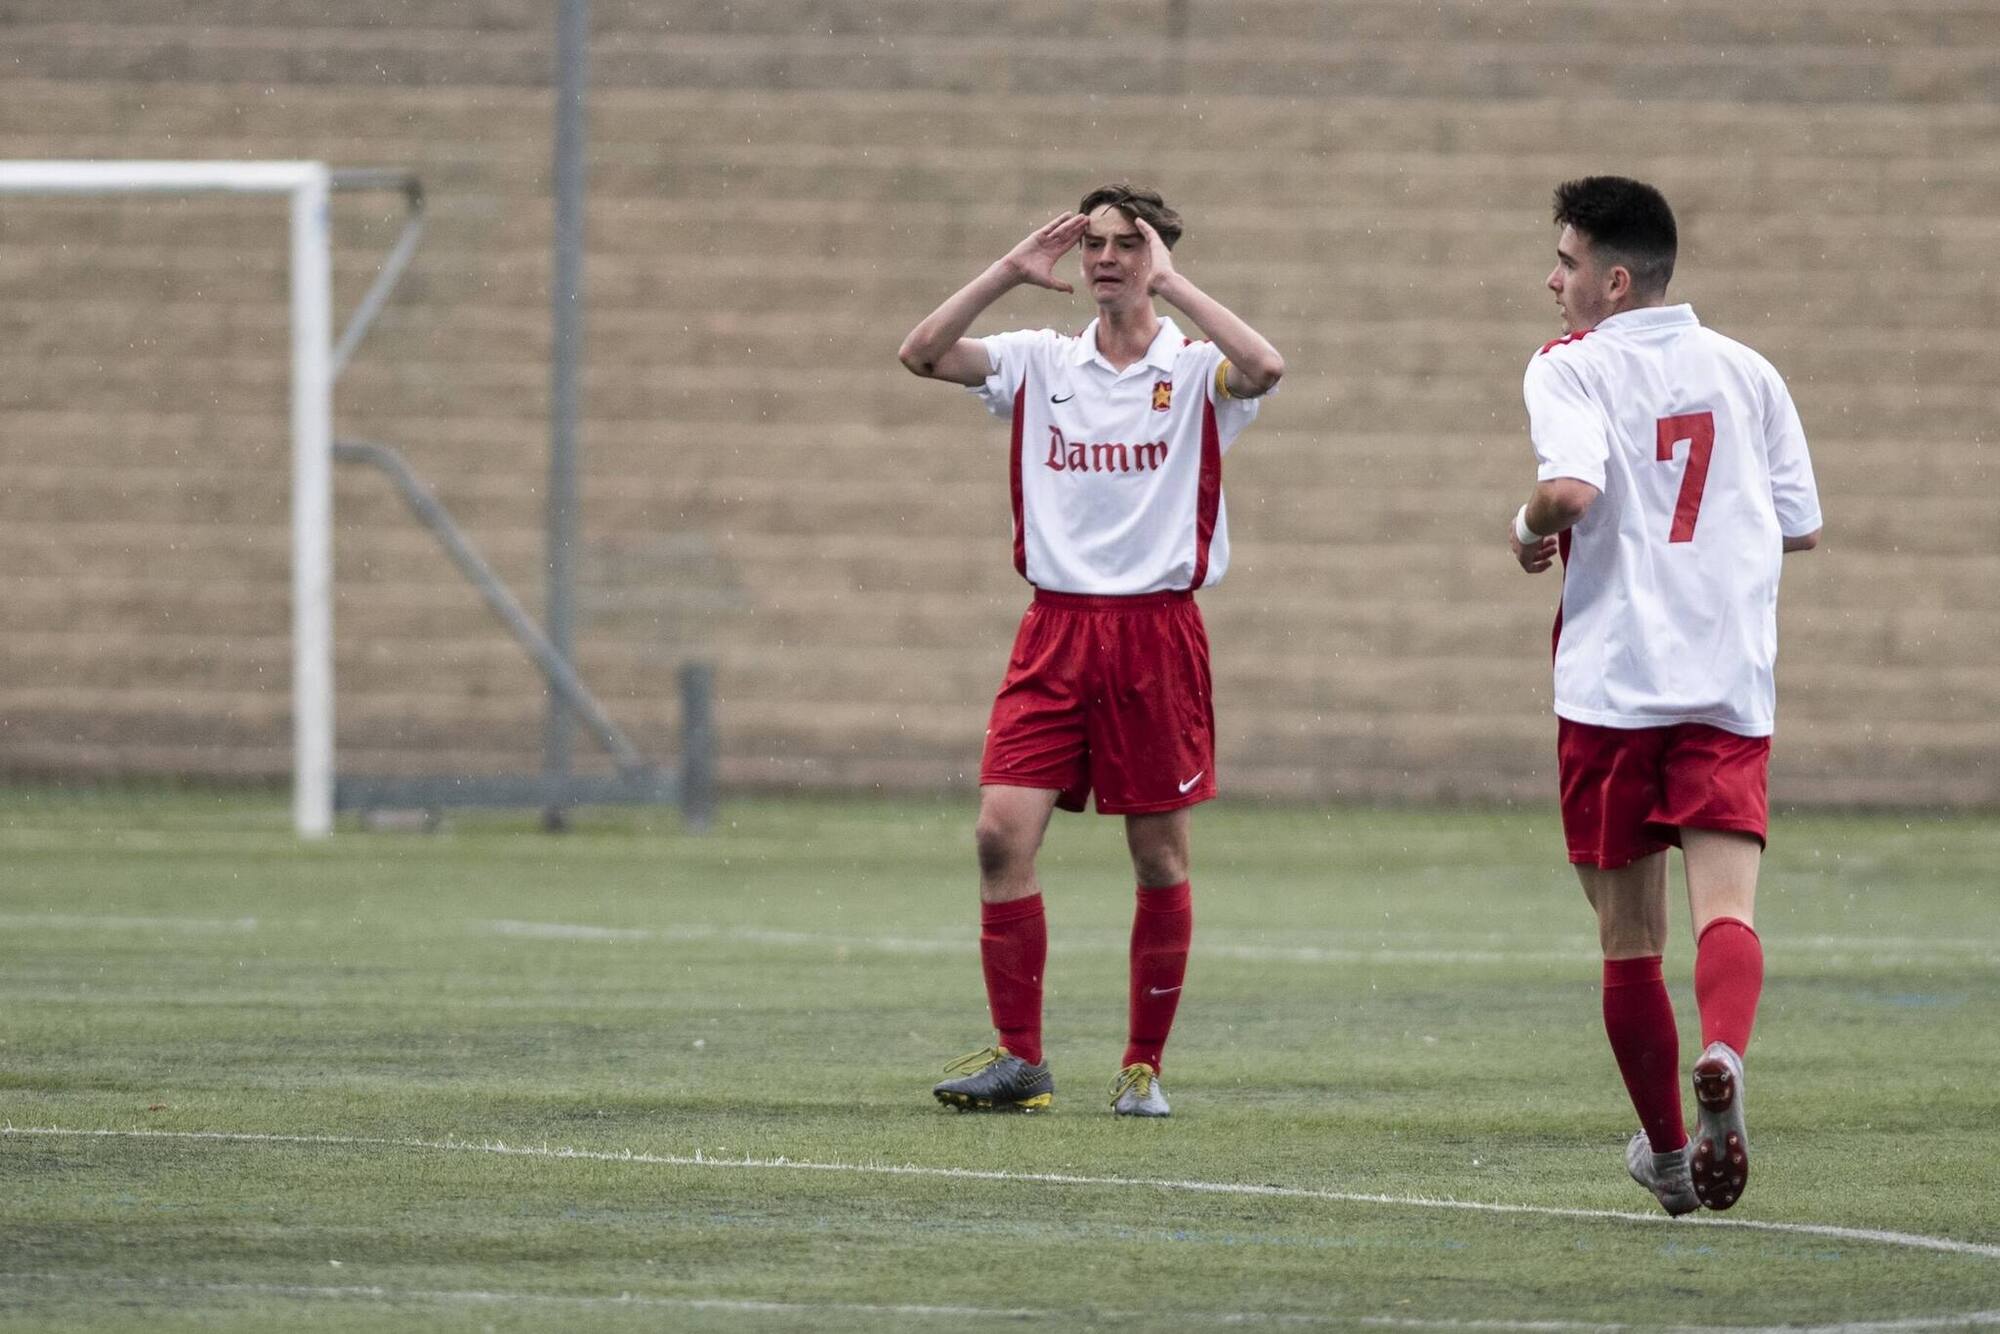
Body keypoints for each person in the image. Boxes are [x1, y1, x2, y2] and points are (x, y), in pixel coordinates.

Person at [897, 184, 1283, 1116]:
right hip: (1055, 631)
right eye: (1094, 244)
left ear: (1158, 255)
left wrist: (1176, 287)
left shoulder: (1195, 369)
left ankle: (1143, 1065)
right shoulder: (1040, 361)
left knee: (1157, 859)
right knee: (999, 835)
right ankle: (1021, 1059)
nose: (1107, 259)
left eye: (1128, 244)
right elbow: (922, 352)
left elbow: (1265, 366)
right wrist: (1007, 270)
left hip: (1155, 635)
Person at [1509, 176, 1822, 1213]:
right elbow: (1798, 525)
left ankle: (1671, 1156)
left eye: (1564, 262)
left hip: (1613, 683)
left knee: (1627, 940)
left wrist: (1523, 529)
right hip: (1726, 679)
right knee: (1725, 910)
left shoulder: (1569, 365)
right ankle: (1723, 1050)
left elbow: (1569, 491)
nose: (1550, 280)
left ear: (1611, 280)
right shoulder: (1746, 369)